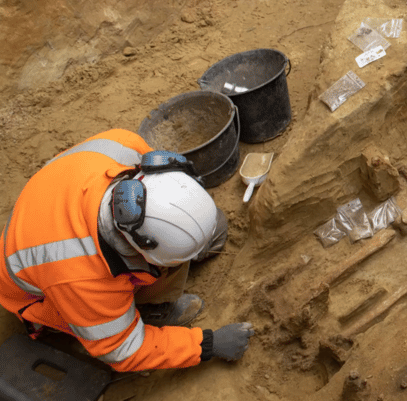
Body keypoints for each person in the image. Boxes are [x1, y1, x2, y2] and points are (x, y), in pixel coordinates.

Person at [0, 129, 255, 371]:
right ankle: (153, 308)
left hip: (56, 203)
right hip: (39, 295)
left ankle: (169, 267)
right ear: (140, 248)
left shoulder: (125, 146)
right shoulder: (81, 279)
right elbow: (122, 350)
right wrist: (206, 345)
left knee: (211, 230)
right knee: (120, 313)